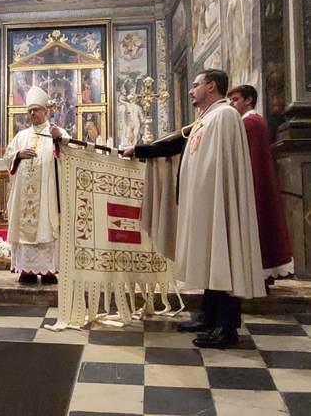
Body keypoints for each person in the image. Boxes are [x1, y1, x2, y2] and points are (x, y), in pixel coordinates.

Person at [123, 69, 266, 348]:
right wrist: (138, 150)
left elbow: (221, 166)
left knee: (223, 257)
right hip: (205, 202)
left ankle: (226, 329)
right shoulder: (206, 118)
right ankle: (209, 317)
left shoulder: (224, 116)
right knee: (213, 258)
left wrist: (210, 196)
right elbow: (176, 144)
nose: (191, 90)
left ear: (211, 86)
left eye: (196, 84)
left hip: (217, 203)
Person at [4, 86, 70, 285]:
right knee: (25, 229)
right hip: (23, 197)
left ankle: (48, 270)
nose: (32, 113)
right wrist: (18, 155)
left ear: (45, 110)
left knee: (46, 229)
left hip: (47, 195)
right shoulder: (21, 136)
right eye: (29, 110)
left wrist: (59, 139)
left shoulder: (56, 132)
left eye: (36, 109)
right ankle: (27, 270)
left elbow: (70, 153)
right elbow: (7, 156)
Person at [227, 85, 294, 281]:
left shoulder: (250, 123)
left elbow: (247, 158)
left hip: (254, 184)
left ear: (248, 100)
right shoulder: (255, 121)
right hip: (260, 182)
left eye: (236, 99)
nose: (232, 103)